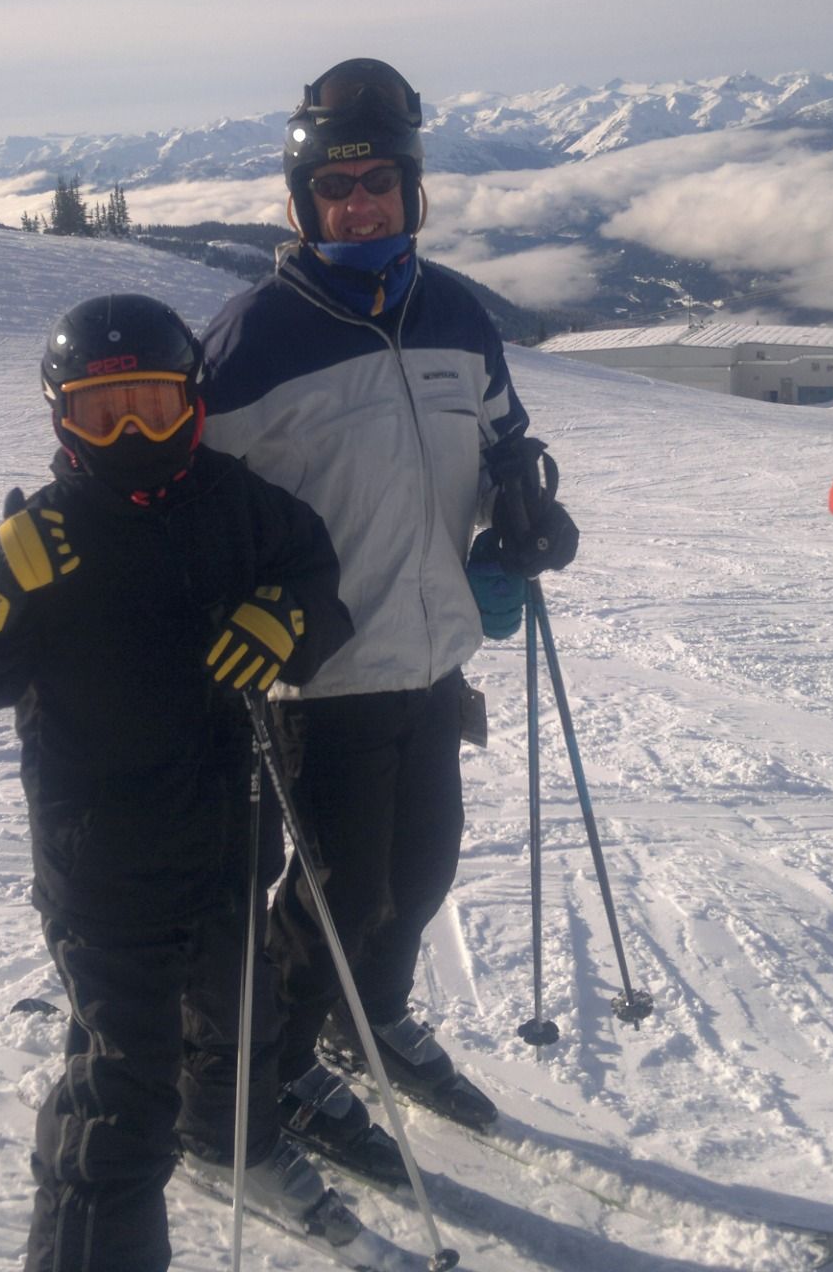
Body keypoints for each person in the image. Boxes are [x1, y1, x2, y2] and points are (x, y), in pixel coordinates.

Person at [0, 294, 357, 1272]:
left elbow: (318, 577)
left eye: (153, 404)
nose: (135, 432)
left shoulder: (242, 504)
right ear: (61, 418)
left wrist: (292, 616)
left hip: (230, 837)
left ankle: (231, 1143)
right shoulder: (46, 538)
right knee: (123, 1084)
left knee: (239, 1022)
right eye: (103, 411)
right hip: (99, 864)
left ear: (192, 400)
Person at [199, 57, 578, 1180]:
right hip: (317, 676)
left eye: (380, 184)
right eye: (335, 188)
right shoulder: (253, 337)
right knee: (335, 894)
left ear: (414, 192)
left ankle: (369, 1019)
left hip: (432, 657)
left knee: (419, 876)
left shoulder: (456, 310)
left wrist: (526, 507)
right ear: (301, 202)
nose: (358, 205)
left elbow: (504, 436)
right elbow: (183, 498)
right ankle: (265, 1068)